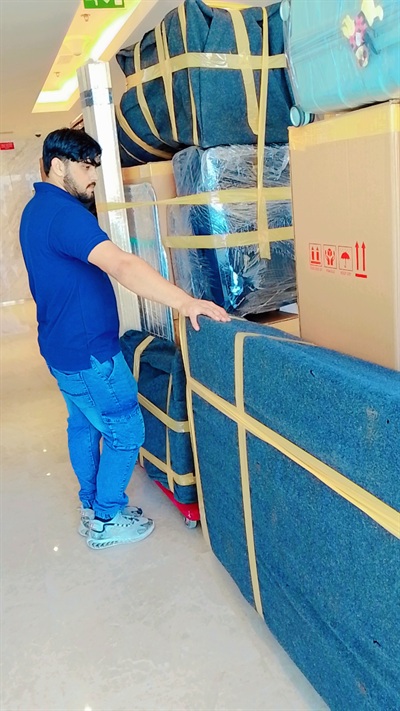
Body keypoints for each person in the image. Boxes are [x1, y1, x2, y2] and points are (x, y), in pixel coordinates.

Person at [19, 128, 230, 550]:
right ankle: (106, 518)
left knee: (83, 424)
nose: (93, 176)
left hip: (62, 348)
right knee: (126, 431)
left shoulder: (36, 209)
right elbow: (122, 265)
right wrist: (186, 302)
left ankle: (91, 506)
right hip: (91, 354)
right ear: (58, 166)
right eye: (86, 167)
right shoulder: (64, 214)